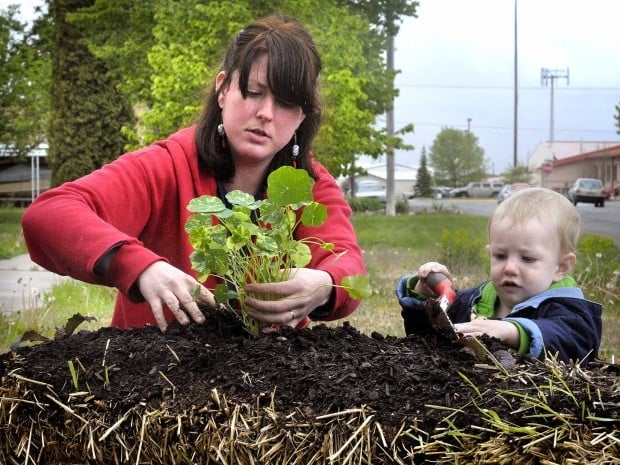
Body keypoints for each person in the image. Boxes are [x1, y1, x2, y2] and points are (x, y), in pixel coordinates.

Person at [21, 14, 365, 332]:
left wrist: (322, 285)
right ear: (222, 89)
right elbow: (49, 214)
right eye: (253, 92)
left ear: (302, 117)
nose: (265, 113)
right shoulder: (168, 164)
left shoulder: (308, 183)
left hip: (272, 380)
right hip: (158, 374)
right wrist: (140, 267)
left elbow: (349, 266)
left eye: (287, 103)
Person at [396, 187, 602, 365]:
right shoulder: (475, 300)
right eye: (501, 256)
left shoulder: (572, 312)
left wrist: (512, 331)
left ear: (561, 267)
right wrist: (427, 298)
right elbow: (426, 340)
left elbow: (574, 341)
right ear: (490, 254)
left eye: (527, 258)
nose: (510, 268)